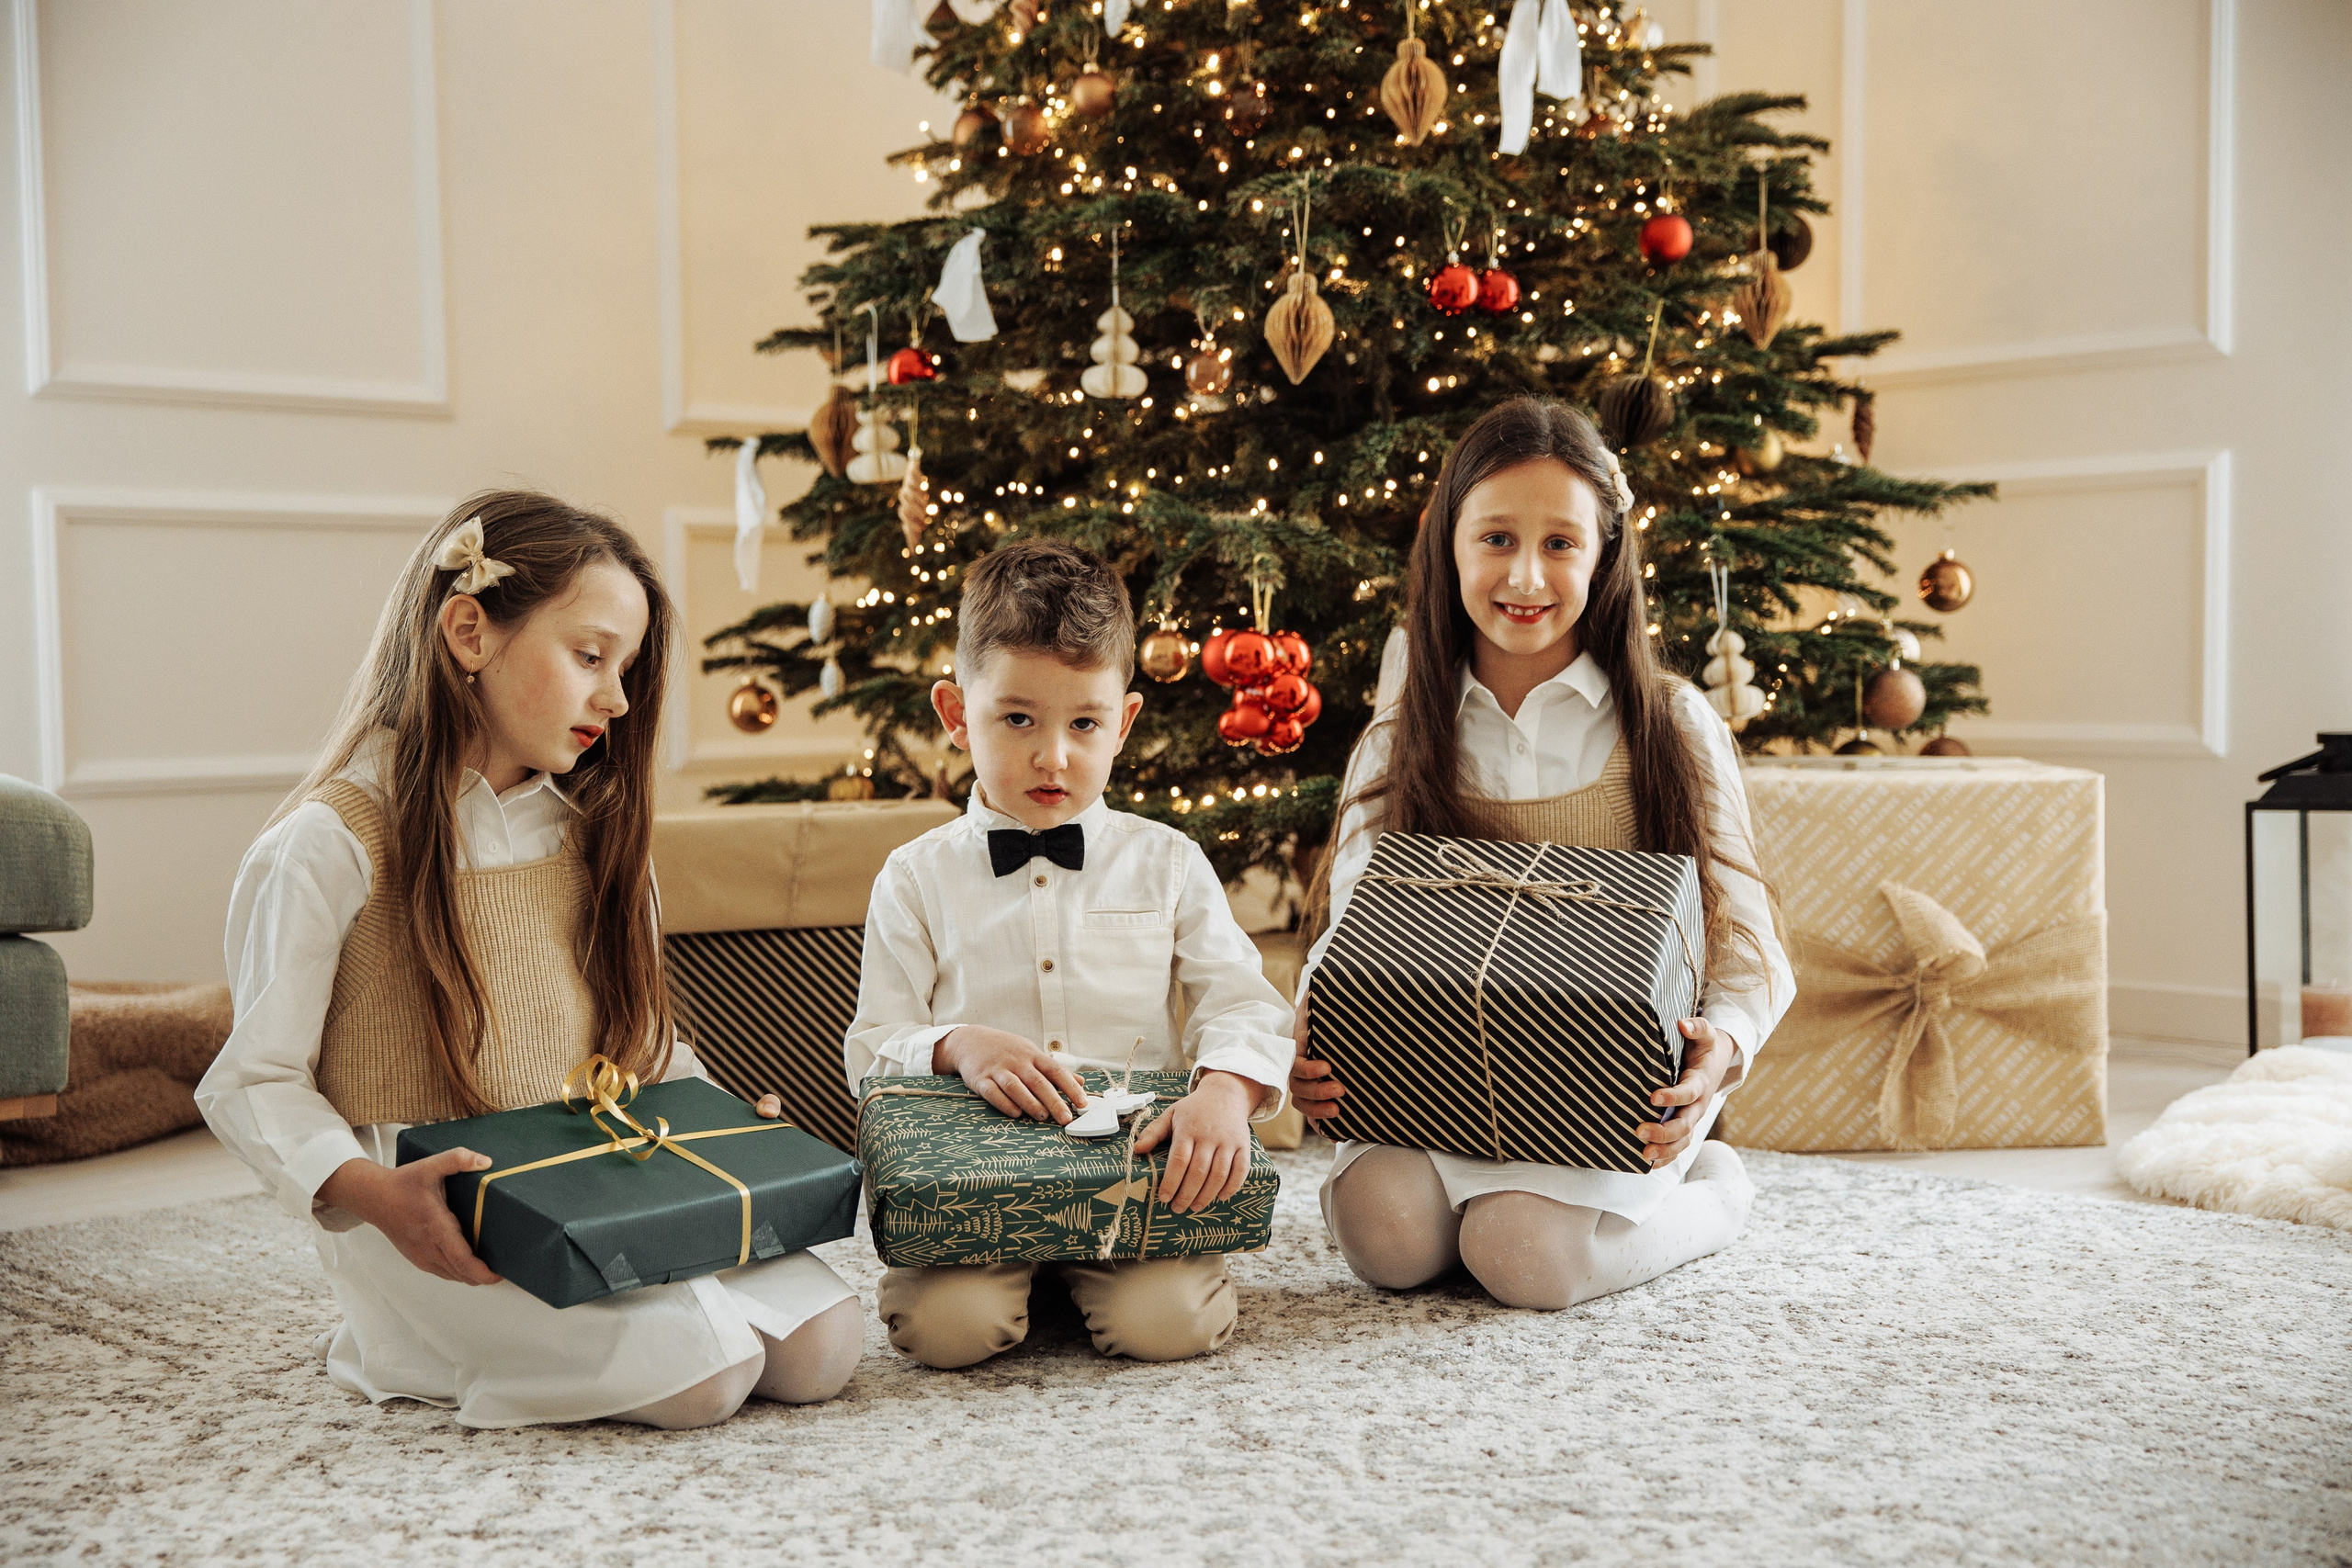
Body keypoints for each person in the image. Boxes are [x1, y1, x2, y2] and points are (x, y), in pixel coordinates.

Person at [196, 491, 862, 1429]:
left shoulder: (595, 836)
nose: (618, 699)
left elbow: (650, 1041)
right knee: (702, 1375)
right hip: (437, 1209)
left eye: (627, 668)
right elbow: (253, 1081)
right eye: (590, 656)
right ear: (468, 631)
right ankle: (397, 1344)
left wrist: (718, 1129)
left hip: (593, 1175)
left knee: (825, 1344)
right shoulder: (332, 841)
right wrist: (374, 1196)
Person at [1289, 397, 1793, 1310]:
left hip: (1608, 1097)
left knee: (1523, 1253)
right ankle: (1481, 1207)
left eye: (1560, 542)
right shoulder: (1399, 737)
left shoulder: (1672, 725)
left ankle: (1714, 1192)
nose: (1525, 573)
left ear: (1605, 558)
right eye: (1494, 539)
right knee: (1384, 1242)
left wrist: (1724, 1045)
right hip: (1437, 1081)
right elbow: (1349, 930)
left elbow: (1750, 947)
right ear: (1448, 545)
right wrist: (1309, 1021)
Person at [846, 537, 1295, 1368]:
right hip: (973, 1179)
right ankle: (1018, 1276)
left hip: (1133, 1168)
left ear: (1123, 722)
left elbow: (1241, 999)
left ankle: (1105, 1270)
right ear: (955, 714)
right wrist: (955, 1044)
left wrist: (1227, 1090)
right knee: (946, 1334)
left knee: (1168, 1329)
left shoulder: (1168, 862)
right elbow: (873, 1048)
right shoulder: (913, 877)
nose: (1054, 755)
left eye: (1084, 722)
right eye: (1017, 718)